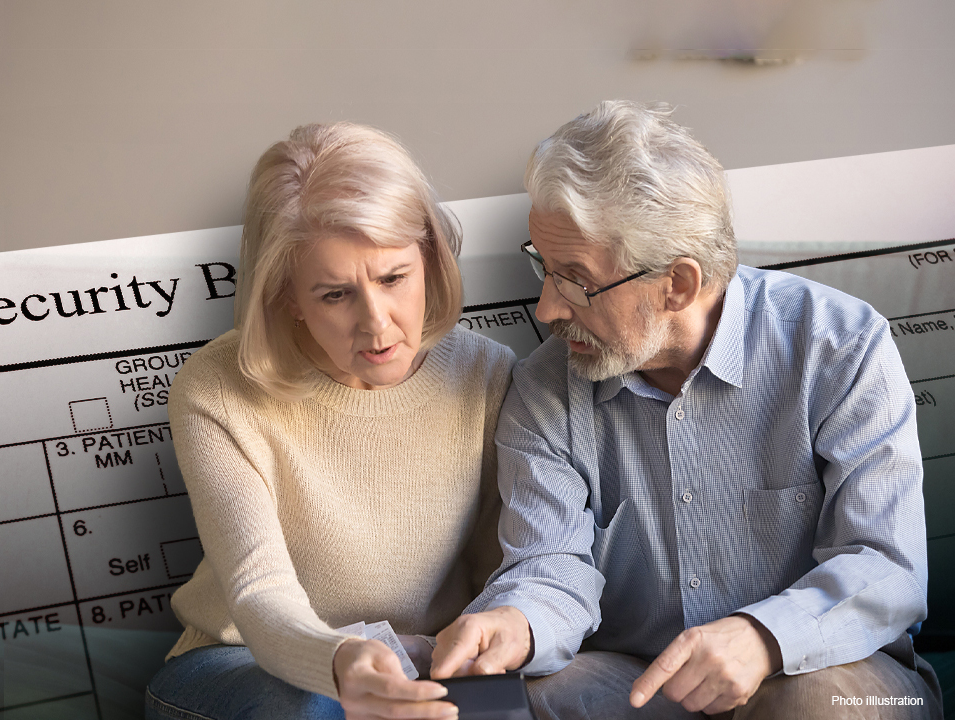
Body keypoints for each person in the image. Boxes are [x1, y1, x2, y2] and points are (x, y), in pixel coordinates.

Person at [429, 100, 942, 719]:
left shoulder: (840, 346)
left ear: (678, 283)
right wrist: (517, 623)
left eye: (576, 279)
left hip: (822, 668)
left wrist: (763, 636)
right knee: (507, 699)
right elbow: (549, 568)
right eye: (545, 266)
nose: (547, 309)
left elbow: (887, 566)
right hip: (642, 684)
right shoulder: (545, 388)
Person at [145, 122, 516, 720]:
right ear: (286, 295)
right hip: (241, 664)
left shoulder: (486, 373)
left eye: (394, 278)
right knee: (320, 712)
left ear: (429, 256)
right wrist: (342, 663)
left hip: (421, 660)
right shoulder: (216, 388)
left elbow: (499, 570)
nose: (377, 324)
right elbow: (257, 590)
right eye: (334, 295)